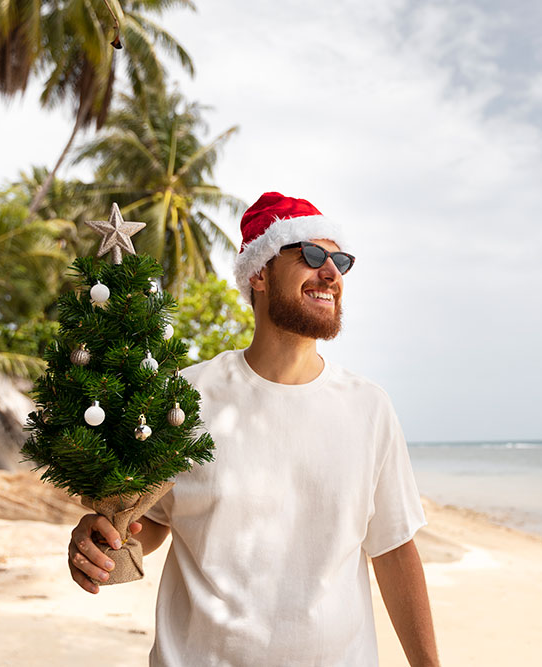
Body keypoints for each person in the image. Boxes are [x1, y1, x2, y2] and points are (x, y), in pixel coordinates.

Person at [67, 192, 439, 667]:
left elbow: (393, 550)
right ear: (259, 273)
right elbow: (150, 521)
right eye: (310, 255)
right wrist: (98, 538)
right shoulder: (184, 397)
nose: (330, 273)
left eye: (340, 261)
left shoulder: (369, 407)